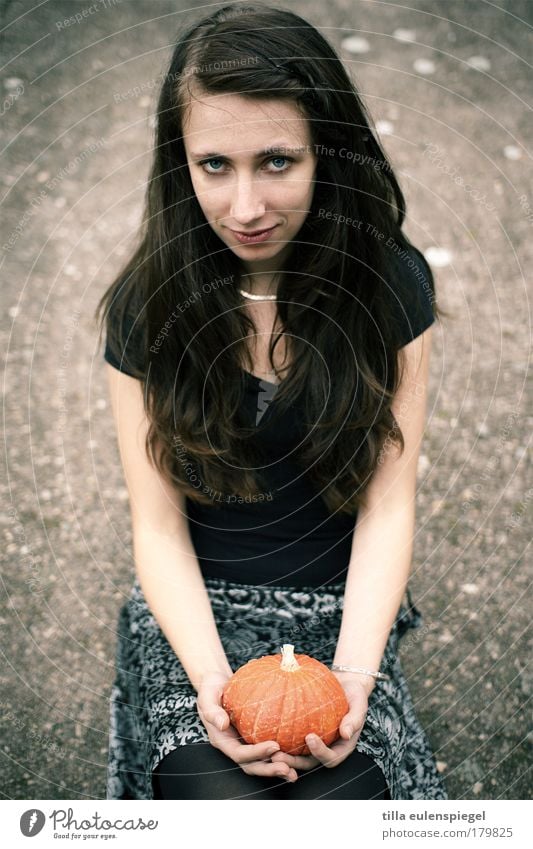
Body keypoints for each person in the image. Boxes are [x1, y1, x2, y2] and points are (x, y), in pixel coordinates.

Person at [95, 2, 449, 800]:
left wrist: (356, 670)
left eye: (278, 162)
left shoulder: (389, 288)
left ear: (329, 154)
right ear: (178, 162)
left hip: (338, 608)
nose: (245, 207)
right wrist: (215, 687)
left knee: (347, 798)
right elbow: (157, 527)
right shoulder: (145, 308)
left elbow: (387, 506)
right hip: (198, 619)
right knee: (213, 794)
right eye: (214, 165)